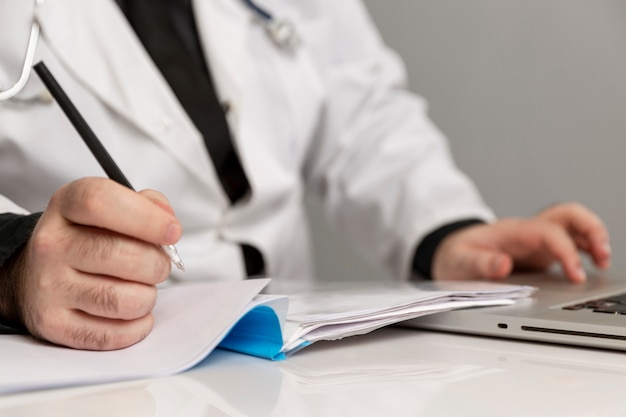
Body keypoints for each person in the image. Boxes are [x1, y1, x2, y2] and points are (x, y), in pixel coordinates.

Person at [0, 0, 610, 351]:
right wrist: (12, 265)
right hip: (89, 370)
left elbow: (359, 106)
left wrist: (443, 230)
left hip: (294, 359)